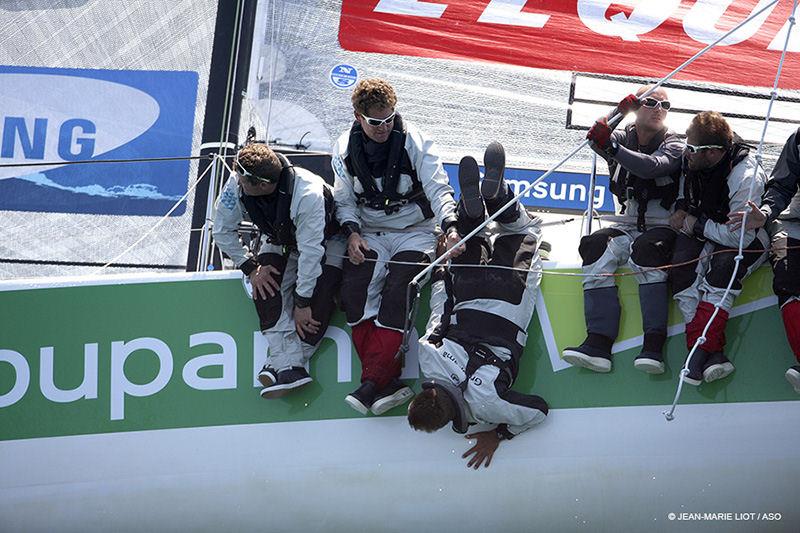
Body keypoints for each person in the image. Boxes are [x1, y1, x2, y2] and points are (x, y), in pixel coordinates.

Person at [407, 143, 548, 469]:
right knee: (470, 239)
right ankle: (474, 213)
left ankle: (500, 201)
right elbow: (439, 311)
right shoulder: (428, 359)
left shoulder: (488, 405)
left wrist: (498, 434)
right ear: (427, 391)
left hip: (508, 301)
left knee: (524, 231)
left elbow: (538, 410)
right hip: (467, 296)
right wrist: (442, 269)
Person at [332, 78, 462, 415]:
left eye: (390, 118)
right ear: (358, 117)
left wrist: (450, 227)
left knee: (399, 292)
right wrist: (352, 234)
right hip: (370, 230)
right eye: (376, 122)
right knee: (355, 296)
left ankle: (373, 382)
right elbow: (343, 200)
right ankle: (383, 383)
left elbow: (439, 188)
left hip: (415, 230)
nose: (384, 127)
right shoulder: (343, 149)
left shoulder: (416, 142)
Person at [562, 86, 683, 374]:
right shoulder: (622, 135)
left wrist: (614, 149)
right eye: (651, 102)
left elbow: (653, 167)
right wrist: (618, 111)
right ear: (636, 107)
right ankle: (598, 343)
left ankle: (653, 346)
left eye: (666, 106)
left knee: (646, 252)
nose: (659, 109)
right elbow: (595, 138)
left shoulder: (676, 142)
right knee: (594, 245)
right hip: (627, 222)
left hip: (663, 225)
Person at [213, 140, 344, 398]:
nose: (236, 181)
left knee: (319, 299)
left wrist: (302, 301)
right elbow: (221, 230)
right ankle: (291, 368)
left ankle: (280, 364)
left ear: (262, 185)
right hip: (280, 239)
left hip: (328, 240)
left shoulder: (307, 195)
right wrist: (250, 267)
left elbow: (311, 252)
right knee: (264, 286)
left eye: (242, 180)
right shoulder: (237, 181)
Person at [668, 111, 768, 386]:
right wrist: (680, 208)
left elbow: (741, 240)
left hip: (746, 240)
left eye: (691, 148)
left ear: (712, 152)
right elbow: (683, 190)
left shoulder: (746, 175)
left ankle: (697, 354)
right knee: (681, 270)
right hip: (705, 227)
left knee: (723, 270)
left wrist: (696, 226)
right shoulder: (694, 161)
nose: (685, 153)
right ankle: (713, 354)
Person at [728, 127, 800, 393]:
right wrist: (766, 213)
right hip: (794, 225)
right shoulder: (799, 138)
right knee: (786, 274)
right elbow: (781, 185)